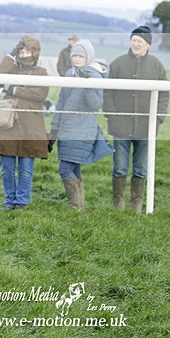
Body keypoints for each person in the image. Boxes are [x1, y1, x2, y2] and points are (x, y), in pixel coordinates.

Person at [103, 26, 170, 213]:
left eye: (140, 41)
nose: (136, 44)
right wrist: (111, 114)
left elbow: (164, 94)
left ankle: (137, 206)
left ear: (147, 44)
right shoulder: (118, 64)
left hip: (146, 128)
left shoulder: (157, 66)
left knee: (141, 169)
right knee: (120, 168)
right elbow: (107, 91)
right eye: (134, 40)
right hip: (120, 127)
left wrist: (158, 118)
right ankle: (119, 205)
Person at [49, 39, 113, 210]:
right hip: (65, 130)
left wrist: (88, 84)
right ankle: (79, 207)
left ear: (89, 57)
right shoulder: (70, 73)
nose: (76, 59)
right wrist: (53, 132)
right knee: (74, 169)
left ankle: (75, 206)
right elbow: (61, 103)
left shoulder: (95, 76)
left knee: (65, 169)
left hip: (82, 131)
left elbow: (94, 105)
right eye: (74, 55)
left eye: (81, 56)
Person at [0, 36, 50, 210]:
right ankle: (9, 201)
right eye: (21, 51)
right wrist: (10, 55)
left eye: (27, 51)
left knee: (26, 167)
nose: (24, 55)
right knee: (6, 167)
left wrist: (14, 89)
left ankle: (22, 202)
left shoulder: (42, 72)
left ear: (34, 54)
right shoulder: (11, 69)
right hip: (8, 124)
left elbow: (40, 94)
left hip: (30, 126)